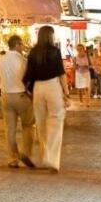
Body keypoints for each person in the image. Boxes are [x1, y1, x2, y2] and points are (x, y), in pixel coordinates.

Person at [26, 25, 70, 173]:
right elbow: (61, 73)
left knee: (41, 122)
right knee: (56, 121)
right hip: (52, 86)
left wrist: (30, 91)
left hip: (38, 88)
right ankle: (51, 159)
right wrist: (66, 92)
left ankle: (45, 155)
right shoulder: (55, 51)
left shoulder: (33, 52)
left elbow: (28, 74)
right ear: (50, 36)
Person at [0, 35, 35, 168]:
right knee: (28, 126)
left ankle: (14, 158)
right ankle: (26, 153)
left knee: (9, 129)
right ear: (17, 44)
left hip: (6, 96)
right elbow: (28, 78)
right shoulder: (23, 60)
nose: (22, 47)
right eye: (21, 45)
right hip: (21, 96)